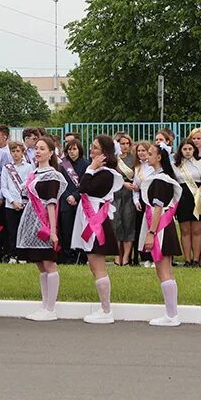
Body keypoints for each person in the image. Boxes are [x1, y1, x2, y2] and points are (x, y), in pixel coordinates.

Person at [71, 135, 124, 324]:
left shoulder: (107, 173)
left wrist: (91, 168)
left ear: (104, 153)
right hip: (87, 217)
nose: (91, 151)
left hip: (96, 221)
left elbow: (84, 187)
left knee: (98, 265)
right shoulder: (96, 171)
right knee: (92, 265)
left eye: (95, 148)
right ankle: (103, 307)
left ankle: (106, 309)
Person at [16, 137, 66, 321]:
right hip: (31, 219)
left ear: (51, 152)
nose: (37, 151)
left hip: (44, 221)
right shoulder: (34, 173)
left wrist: (52, 230)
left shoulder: (52, 175)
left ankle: (51, 307)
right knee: (40, 264)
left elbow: (52, 204)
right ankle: (44, 304)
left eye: (42, 148)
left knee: (49, 263)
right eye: (36, 148)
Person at [140, 144, 184, 326]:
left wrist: (151, 233)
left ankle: (172, 315)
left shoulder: (161, 180)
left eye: (150, 154)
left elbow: (158, 207)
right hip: (160, 227)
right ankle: (170, 312)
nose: (146, 156)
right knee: (162, 270)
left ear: (159, 158)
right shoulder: (158, 178)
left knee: (164, 269)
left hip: (161, 229)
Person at [173, 139, 201, 267]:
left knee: (197, 230)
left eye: (190, 149)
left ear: (194, 150)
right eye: (185, 149)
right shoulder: (176, 164)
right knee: (185, 230)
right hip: (182, 198)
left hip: (198, 198)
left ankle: (196, 259)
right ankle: (187, 260)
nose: (188, 152)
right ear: (181, 150)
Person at [0, 141, 33, 264]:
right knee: (12, 230)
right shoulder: (7, 168)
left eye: (18, 151)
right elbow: (4, 187)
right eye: (13, 151)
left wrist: (22, 201)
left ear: (22, 152)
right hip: (10, 204)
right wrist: (12, 201)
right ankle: (13, 255)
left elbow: (30, 183)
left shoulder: (29, 167)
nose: (15, 154)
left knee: (23, 229)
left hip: (24, 202)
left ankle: (23, 255)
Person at [57, 138, 88, 265]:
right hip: (66, 201)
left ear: (79, 150)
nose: (72, 152)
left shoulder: (86, 164)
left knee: (80, 230)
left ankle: (81, 257)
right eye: (69, 149)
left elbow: (86, 184)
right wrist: (67, 196)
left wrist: (75, 196)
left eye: (74, 149)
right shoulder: (63, 165)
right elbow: (60, 184)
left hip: (80, 201)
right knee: (66, 230)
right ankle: (68, 257)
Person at [112, 133, 137, 266]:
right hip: (116, 193)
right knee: (116, 224)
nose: (125, 146)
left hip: (130, 195)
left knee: (128, 224)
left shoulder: (134, 159)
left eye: (127, 143)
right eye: (122, 143)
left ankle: (126, 257)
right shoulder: (113, 159)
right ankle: (117, 256)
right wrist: (122, 184)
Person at [132, 141, 156, 267]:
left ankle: (155, 255)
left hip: (153, 200)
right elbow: (135, 187)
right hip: (142, 201)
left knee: (154, 228)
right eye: (139, 151)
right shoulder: (137, 168)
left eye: (143, 151)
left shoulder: (153, 166)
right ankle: (145, 256)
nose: (141, 153)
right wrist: (136, 200)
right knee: (142, 229)